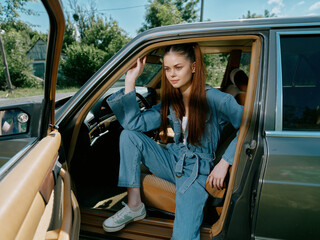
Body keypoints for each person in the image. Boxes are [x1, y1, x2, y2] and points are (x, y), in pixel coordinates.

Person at [103, 43, 243, 239]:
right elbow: (133, 124)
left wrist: (224, 162)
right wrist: (130, 80)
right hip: (174, 159)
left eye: (178, 67)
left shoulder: (216, 99)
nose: (171, 74)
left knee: (183, 236)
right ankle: (135, 205)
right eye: (167, 69)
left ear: (193, 67)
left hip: (197, 171)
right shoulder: (172, 100)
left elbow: (248, 126)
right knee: (129, 136)